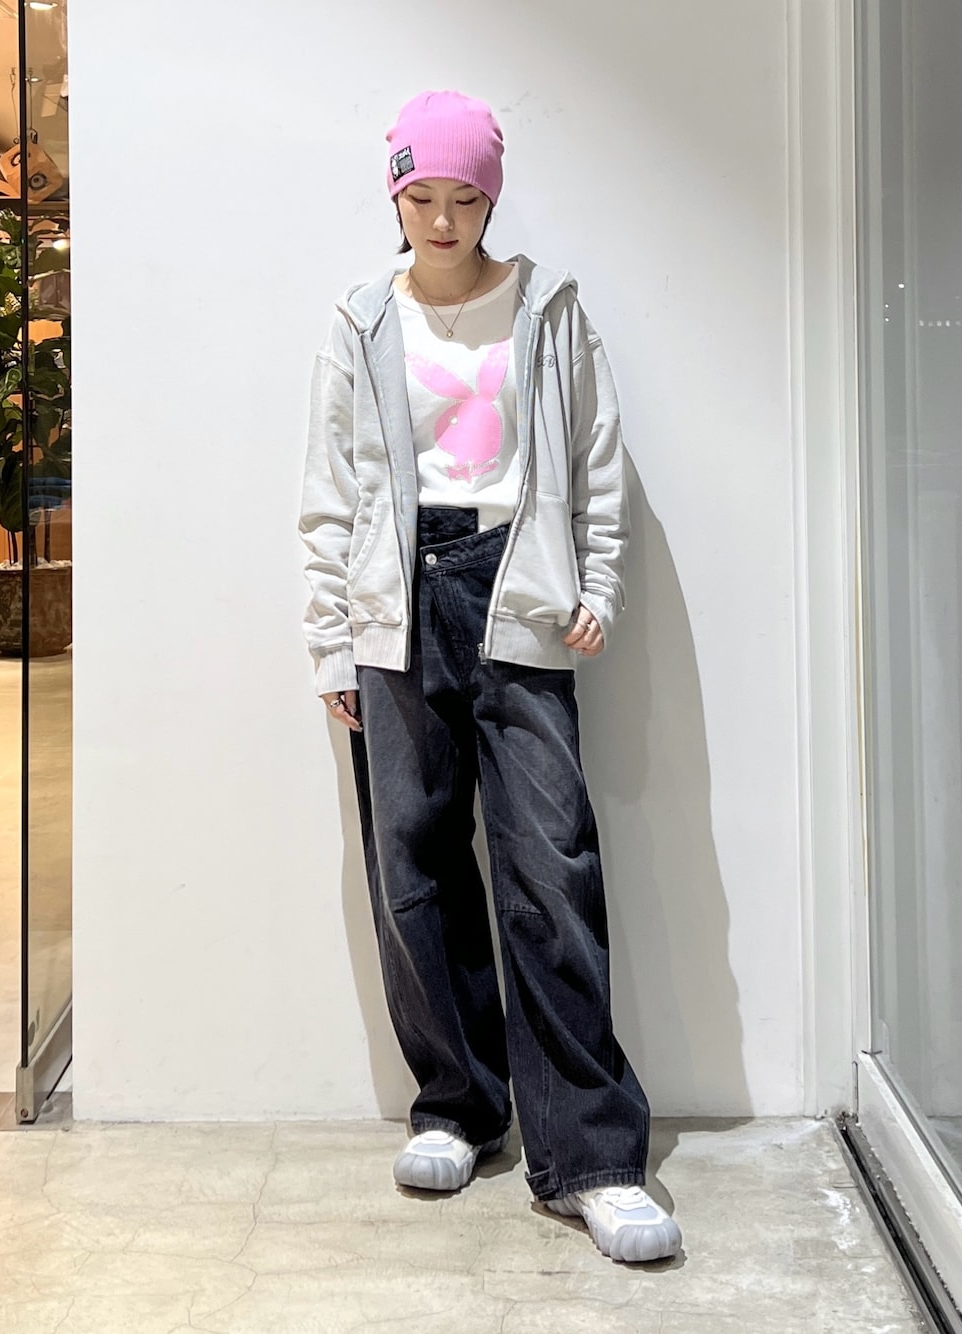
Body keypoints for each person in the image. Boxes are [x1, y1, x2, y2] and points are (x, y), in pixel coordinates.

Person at [300, 89, 682, 1265]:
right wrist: (331, 634)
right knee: (411, 864)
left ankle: (593, 1157)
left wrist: (598, 581)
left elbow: (597, 459)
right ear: (394, 195)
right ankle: (457, 1105)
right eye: (420, 195)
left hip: (518, 584)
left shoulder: (548, 311)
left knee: (549, 865)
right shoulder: (362, 318)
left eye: (464, 197)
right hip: (395, 596)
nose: (441, 218)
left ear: (491, 199)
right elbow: (331, 487)